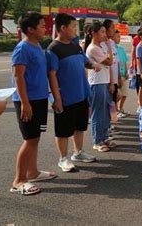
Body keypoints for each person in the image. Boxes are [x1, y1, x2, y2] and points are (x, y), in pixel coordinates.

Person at [10, 12, 56, 196]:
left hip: (39, 98)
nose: (46, 28)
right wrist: (25, 104)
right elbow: (18, 76)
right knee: (29, 139)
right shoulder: (22, 49)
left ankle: (33, 172)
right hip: (28, 101)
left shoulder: (37, 46)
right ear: (30, 29)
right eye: (42, 26)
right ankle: (18, 180)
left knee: (35, 137)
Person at [47, 13, 97, 172]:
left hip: (81, 93)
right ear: (63, 28)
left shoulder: (75, 45)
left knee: (79, 126)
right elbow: (52, 75)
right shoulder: (53, 49)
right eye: (73, 27)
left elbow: (84, 62)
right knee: (63, 130)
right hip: (65, 96)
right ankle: (63, 159)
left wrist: (93, 64)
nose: (76, 30)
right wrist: (57, 98)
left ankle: (78, 152)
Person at [84, 22, 114, 152]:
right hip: (97, 83)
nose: (104, 34)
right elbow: (110, 62)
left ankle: (104, 137)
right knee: (97, 113)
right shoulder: (93, 48)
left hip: (103, 81)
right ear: (93, 33)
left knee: (104, 112)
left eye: (104, 31)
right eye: (101, 32)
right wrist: (109, 47)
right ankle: (97, 141)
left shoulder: (99, 47)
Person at [102, 20, 120, 130]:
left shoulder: (112, 43)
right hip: (108, 81)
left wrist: (118, 78)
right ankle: (105, 130)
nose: (114, 30)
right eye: (112, 28)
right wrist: (112, 82)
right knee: (106, 106)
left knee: (112, 103)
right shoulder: (103, 44)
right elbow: (108, 64)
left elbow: (115, 62)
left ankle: (109, 125)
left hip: (114, 80)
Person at [114, 31, 129, 118]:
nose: (118, 39)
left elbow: (124, 61)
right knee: (116, 95)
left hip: (123, 74)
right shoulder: (111, 49)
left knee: (124, 94)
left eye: (119, 37)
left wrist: (126, 72)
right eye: (117, 37)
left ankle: (120, 108)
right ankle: (116, 111)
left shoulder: (121, 48)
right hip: (116, 76)